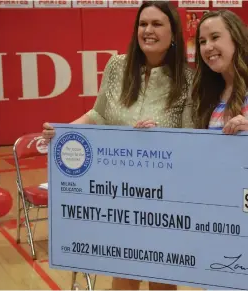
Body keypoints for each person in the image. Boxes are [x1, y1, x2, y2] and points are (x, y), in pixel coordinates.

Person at [42, 1, 193, 290]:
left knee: (162, 277)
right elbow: (98, 114)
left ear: (173, 34)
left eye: (157, 24)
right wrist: (62, 132)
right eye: (143, 24)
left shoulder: (187, 79)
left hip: (165, 195)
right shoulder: (117, 66)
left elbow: (191, 136)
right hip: (119, 193)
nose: (148, 30)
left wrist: (160, 136)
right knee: (123, 272)